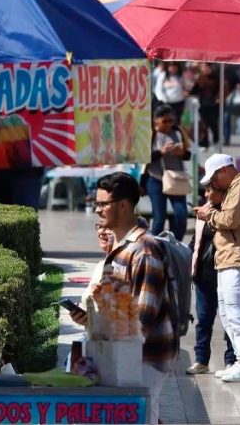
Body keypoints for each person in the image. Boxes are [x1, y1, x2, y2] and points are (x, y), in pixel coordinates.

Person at [81, 173, 177, 423]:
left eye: (103, 204)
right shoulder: (120, 246)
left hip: (144, 357)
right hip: (123, 353)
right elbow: (118, 307)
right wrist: (93, 319)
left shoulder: (144, 251)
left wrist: (109, 332)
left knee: (143, 417)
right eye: (96, 203)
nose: (97, 210)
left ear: (123, 205)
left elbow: (143, 317)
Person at [195, 154, 240, 383]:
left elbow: (230, 220)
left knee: (237, 309)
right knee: (226, 311)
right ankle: (239, 360)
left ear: (224, 170)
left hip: (239, 257)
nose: (213, 184)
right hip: (227, 258)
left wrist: (208, 214)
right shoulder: (234, 187)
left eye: (214, 178)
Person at [187, 186, 236, 375]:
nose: (206, 194)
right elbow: (196, 241)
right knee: (204, 319)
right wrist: (187, 259)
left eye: (210, 190)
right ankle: (201, 360)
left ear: (222, 192)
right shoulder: (204, 211)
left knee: (230, 319)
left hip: (226, 272)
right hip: (204, 274)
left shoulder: (230, 213)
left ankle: (232, 361)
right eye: (206, 190)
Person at [145, 105, 192, 240]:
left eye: (171, 121)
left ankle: (175, 244)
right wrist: (161, 152)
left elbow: (188, 154)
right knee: (159, 218)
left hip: (175, 179)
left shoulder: (178, 132)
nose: (168, 124)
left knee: (181, 215)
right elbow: (144, 157)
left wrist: (181, 153)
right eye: (165, 121)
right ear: (156, 120)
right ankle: (155, 245)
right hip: (156, 179)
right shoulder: (151, 134)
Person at [191, 63, 222, 148]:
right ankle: (204, 143)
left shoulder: (217, 77)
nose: (206, 69)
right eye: (204, 67)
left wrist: (219, 97)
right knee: (204, 124)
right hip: (203, 104)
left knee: (214, 124)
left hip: (214, 105)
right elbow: (194, 90)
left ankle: (216, 140)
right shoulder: (200, 78)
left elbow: (222, 89)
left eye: (208, 67)